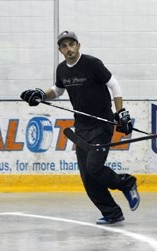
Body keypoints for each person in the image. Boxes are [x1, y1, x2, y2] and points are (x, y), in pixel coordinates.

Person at [20, 30, 139, 225]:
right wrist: (41, 94)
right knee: (87, 177)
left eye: (71, 44)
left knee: (94, 167)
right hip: (82, 128)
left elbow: (114, 85)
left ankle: (127, 183)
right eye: (64, 46)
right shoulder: (62, 70)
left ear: (78, 45)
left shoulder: (92, 63)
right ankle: (112, 212)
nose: (69, 49)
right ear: (60, 50)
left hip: (102, 124)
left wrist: (121, 112)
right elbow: (58, 90)